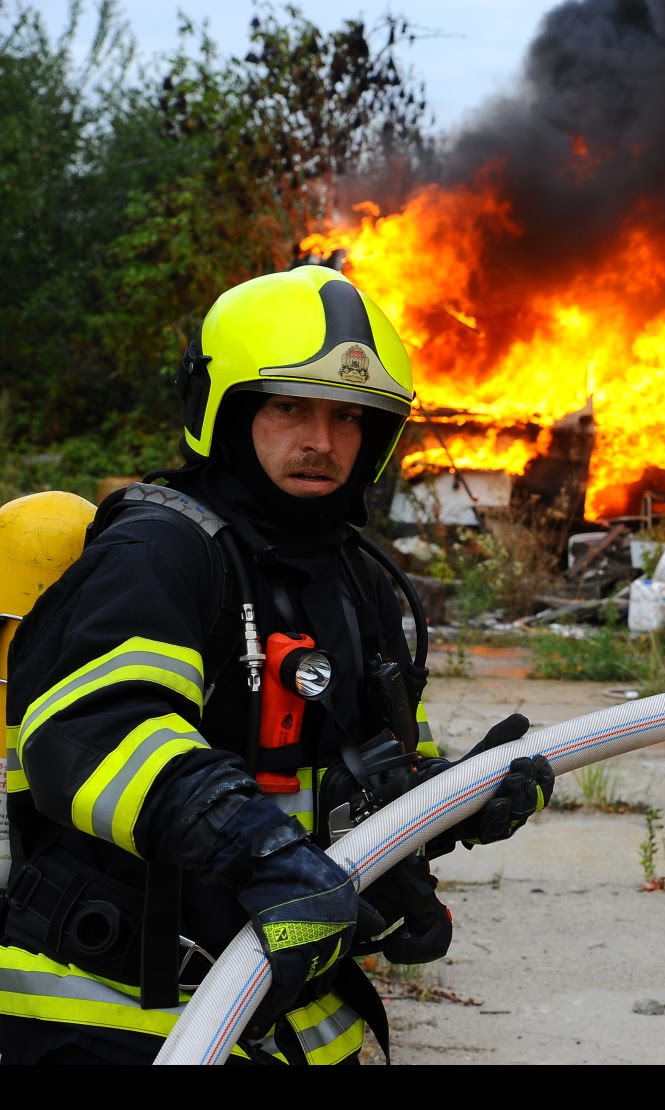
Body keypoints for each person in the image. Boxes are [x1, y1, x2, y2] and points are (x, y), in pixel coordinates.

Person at [0, 266, 554, 1065]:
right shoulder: (159, 554)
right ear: (224, 412)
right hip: (126, 1017)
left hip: (291, 1022)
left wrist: (451, 799)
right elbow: (94, 732)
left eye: (346, 417)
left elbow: (361, 776)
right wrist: (255, 845)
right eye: (289, 406)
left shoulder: (356, 581)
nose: (321, 442)